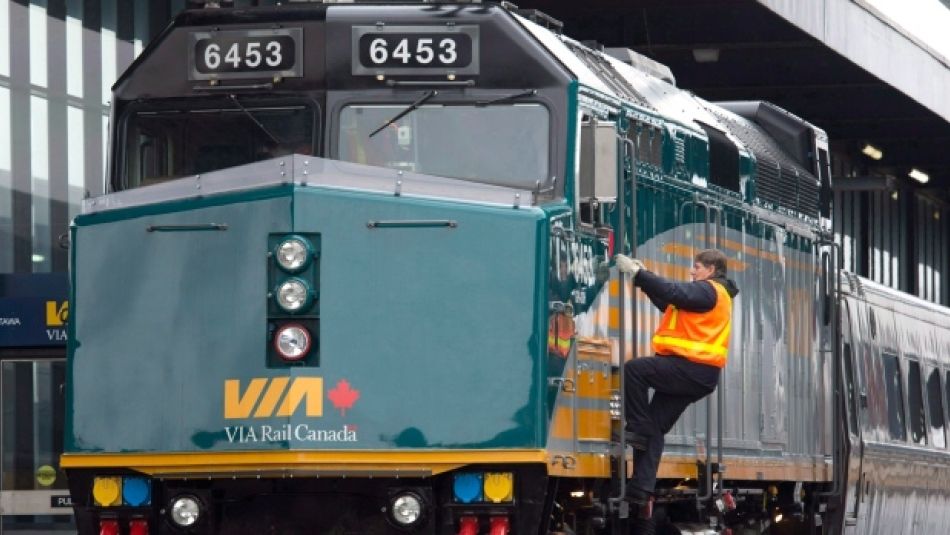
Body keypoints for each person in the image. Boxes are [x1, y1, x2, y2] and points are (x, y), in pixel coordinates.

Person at [613, 249, 739, 506]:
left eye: (697, 267)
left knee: (634, 371)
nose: (692, 271)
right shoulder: (707, 296)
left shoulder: (709, 290)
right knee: (655, 427)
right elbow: (667, 301)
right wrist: (641, 279)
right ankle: (641, 488)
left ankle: (636, 426)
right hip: (697, 373)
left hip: (691, 368)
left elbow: (673, 292)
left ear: (711, 269)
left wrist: (641, 273)